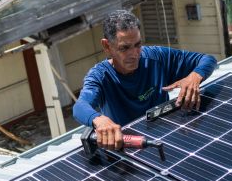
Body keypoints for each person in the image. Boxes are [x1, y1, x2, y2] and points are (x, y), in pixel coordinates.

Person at [73, 10, 217, 151]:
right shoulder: (100, 76)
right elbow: (80, 106)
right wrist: (99, 120)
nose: (134, 54)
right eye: (124, 48)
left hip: (166, 139)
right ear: (107, 46)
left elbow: (207, 59)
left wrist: (195, 76)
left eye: (137, 45)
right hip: (129, 148)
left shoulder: (156, 58)